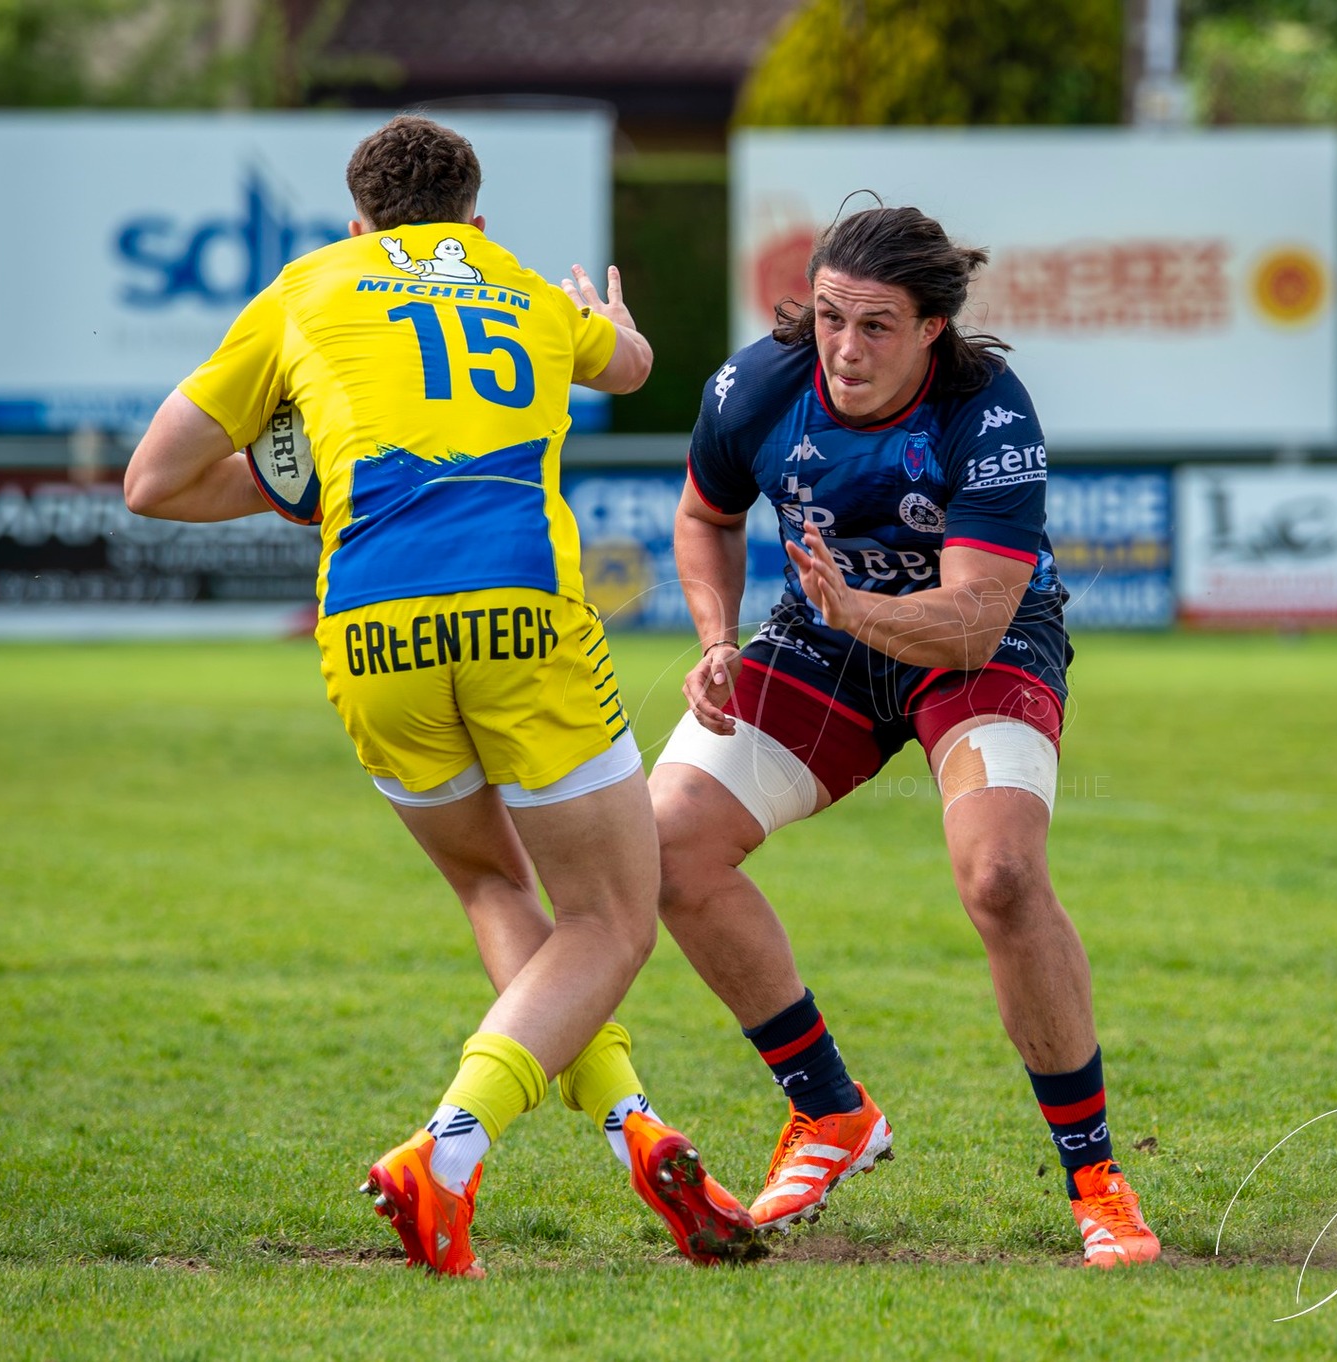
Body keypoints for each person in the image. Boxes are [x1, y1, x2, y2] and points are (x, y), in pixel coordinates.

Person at [122, 114, 759, 1276]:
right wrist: (612, 325)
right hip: (519, 612)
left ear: (355, 223)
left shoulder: (303, 288)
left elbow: (149, 481)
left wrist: (298, 487)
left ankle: (635, 1129)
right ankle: (446, 1151)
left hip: (368, 627)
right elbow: (630, 367)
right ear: (474, 219)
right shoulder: (511, 279)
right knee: (612, 919)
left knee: (488, 879)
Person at [650, 204, 1161, 1268]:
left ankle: (1095, 1178)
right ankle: (829, 1113)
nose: (843, 349)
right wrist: (713, 636)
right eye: (829, 316)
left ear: (932, 329)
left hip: (979, 650)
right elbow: (703, 515)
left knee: (1003, 878)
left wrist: (858, 613)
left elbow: (972, 614)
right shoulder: (757, 386)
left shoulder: (988, 412)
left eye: (875, 326)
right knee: (666, 846)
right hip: (821, 640)